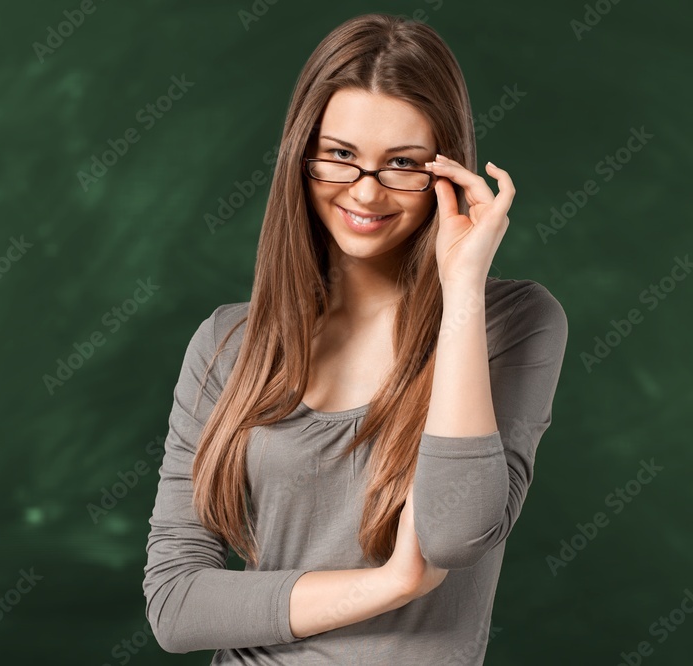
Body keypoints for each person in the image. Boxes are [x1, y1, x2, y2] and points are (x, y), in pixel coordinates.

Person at [142, 12, 568, 665]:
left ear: (446, 169)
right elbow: (175, 606)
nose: (365, 192)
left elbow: (457, 533)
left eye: (403, 164)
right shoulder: (227, 342)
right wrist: (388, 584)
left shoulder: (510, 322)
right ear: (300, 155)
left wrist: (461, 286)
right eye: (340, 157)